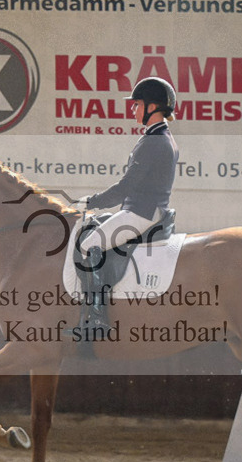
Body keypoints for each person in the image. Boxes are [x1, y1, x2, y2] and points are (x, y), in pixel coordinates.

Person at [73, 76, 179, 344]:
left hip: (141, 213)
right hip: (145, 209)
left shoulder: (154, 142)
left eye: (137, 104)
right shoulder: (160, 138)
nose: (133, 109)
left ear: (152, 107)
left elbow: (125, 187)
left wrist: (91, 201)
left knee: (88, 245)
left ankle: (96, 317)